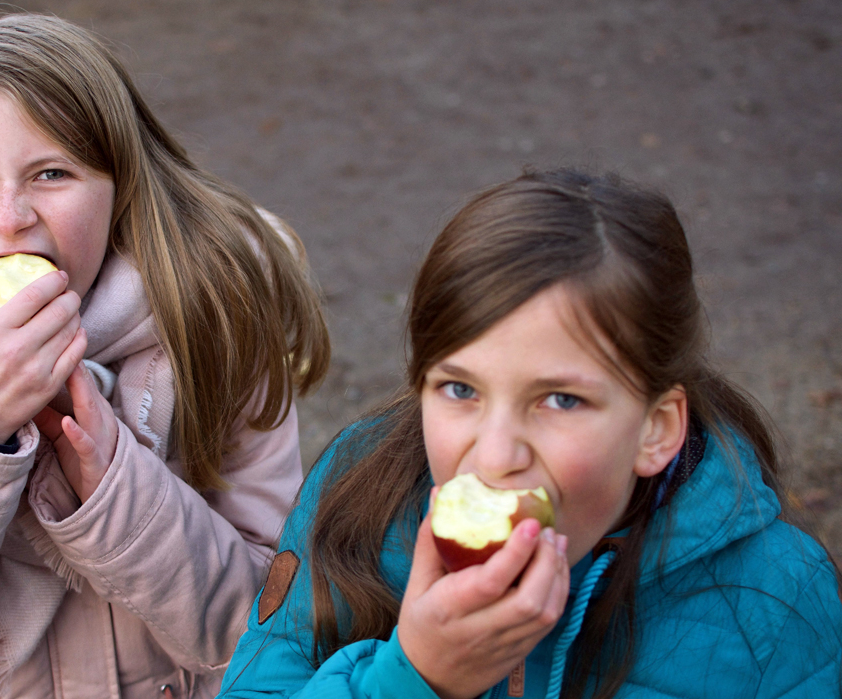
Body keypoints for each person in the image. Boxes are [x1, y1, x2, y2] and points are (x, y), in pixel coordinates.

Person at [0, 13, 329, 699]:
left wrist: (116, 486)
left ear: (121, 184)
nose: (10, 217)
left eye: (51, 172)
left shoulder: (216, 311)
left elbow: (270, 624)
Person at [218, 169, 841, 699]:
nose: (494, 458)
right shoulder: (356, 499)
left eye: (560, 400)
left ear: (656, 429)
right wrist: (416, 677)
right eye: (460, 390)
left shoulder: (776, 601)